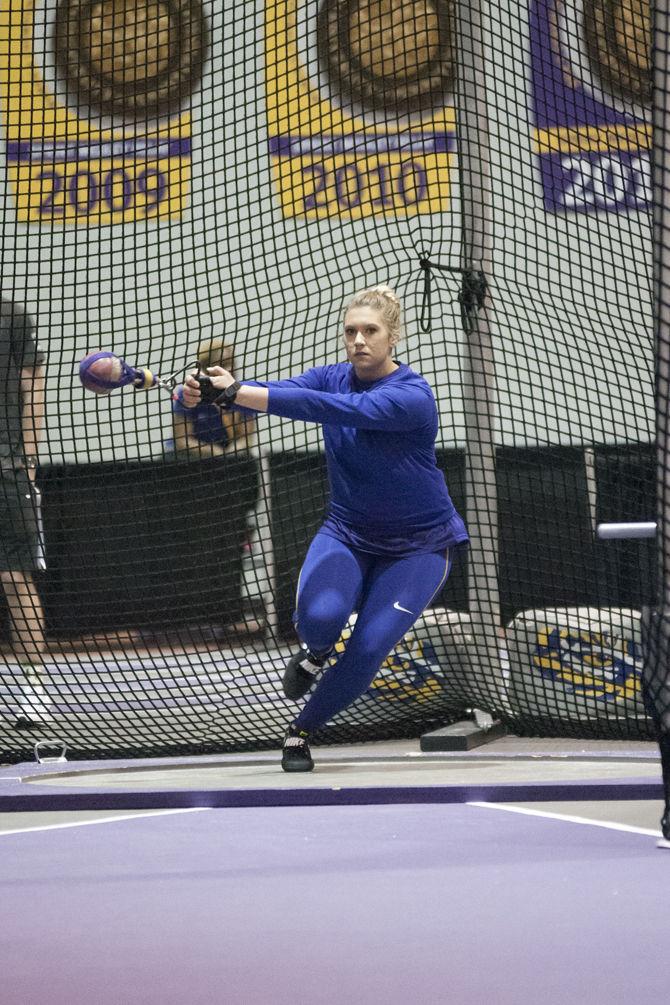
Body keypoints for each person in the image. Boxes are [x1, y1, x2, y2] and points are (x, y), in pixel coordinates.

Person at [180, 285, 469, 771]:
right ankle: (314, 654)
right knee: (320, 619)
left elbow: (331, 410)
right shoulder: (332, 376)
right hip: (349, 533)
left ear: (392, 336)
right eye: (351, 331)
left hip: (420, 547)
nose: (359, 340)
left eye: (370, 331)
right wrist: (208, 393)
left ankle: (301, 731)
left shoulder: (412, 396)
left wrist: (235, 393)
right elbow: (283, 392)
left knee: (369, 648)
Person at [0, 298, 49, 726]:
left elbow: (32, 382)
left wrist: (29, 455)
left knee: (15, 576)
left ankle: (33, 689)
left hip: (5, 467)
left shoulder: (11, 317)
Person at [172, 337, 255, 456]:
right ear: (206, 369)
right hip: (190, 460)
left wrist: (233, 451)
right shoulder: (189, 394)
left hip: (229, 460)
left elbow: (246, 438)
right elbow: (182, 441)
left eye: (232, 363)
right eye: (223, 364)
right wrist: (213, 451)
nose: (230, 368)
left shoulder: (243, 393)